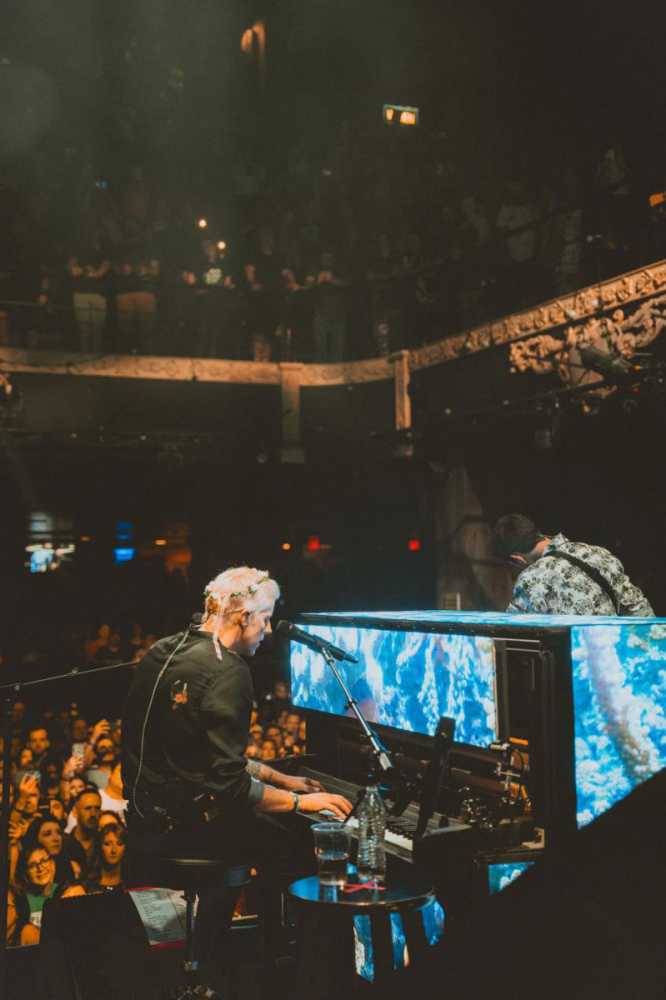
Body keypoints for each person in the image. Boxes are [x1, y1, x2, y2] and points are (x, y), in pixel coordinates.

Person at [122, 565, 352, 986]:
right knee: (297, 842)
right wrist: (303, 803)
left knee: (274, 820)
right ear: (243, 616)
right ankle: (294, 970)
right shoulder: (229, 672)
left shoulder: (165, 649)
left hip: (146, 817)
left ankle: (238, 955)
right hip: (181, 828)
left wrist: (281, 780)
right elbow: (227, 785)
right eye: (265, 618)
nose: (268, 630)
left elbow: (197, 759)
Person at [492, 513, 655, 616]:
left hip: (575, 666)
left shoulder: (529, 580)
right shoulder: (596, 553)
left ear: (517, 559)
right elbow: (638, 608)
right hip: (615, 659)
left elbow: (513, 634)